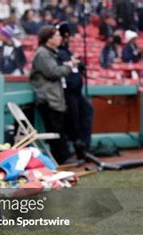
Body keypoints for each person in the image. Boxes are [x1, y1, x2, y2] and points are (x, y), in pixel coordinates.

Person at [30, 26, 76, 164]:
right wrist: (69, 66)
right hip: (48, 99)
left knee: (59, 130)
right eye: (56, 36)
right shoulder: (43, 53)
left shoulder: (50, 53)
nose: (60, 38)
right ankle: (62, 159)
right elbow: (53, 72)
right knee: (55, 130)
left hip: (53, 98)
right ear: (48, 39)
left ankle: (64, 158)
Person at [57, 22, 93, 158]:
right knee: (73, 120)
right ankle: (80, 150)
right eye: (64, 36)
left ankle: (85, 146)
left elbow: (74, 66)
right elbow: (59, 69)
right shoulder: (58, 52)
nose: (66, 38)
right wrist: (71, 63)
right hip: (68, 91)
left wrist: (80, 64)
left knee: (87, 112)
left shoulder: (66, 50)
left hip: (77, 91)